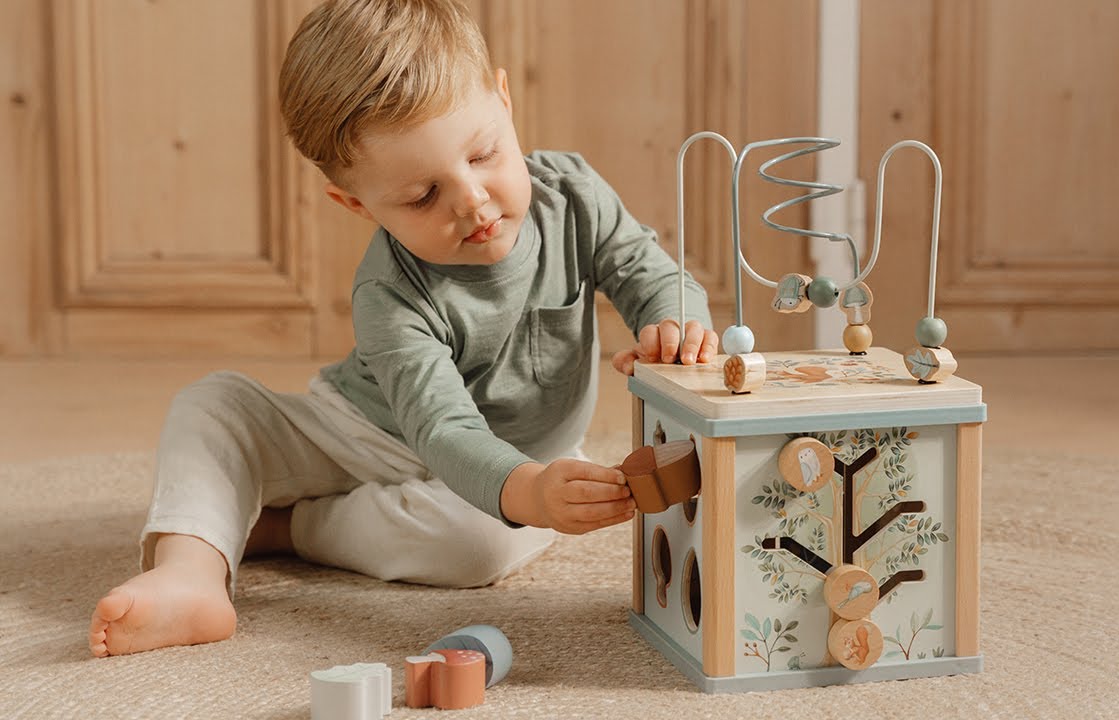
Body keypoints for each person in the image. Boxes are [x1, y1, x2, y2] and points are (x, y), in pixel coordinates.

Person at [87, 0, 717, 657]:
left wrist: (677, 324)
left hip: (519, 466)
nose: (471, 200)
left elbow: (650, 273)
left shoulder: (576, 195)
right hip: (367, 432)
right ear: (356, 205)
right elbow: (441, 429)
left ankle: (285, 528)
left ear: (503, 100)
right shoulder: (388, 291)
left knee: (481, 546)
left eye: (483, 154)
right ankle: (189, 574)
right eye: (422, 197)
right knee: (211, 407)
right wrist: (529, 494)